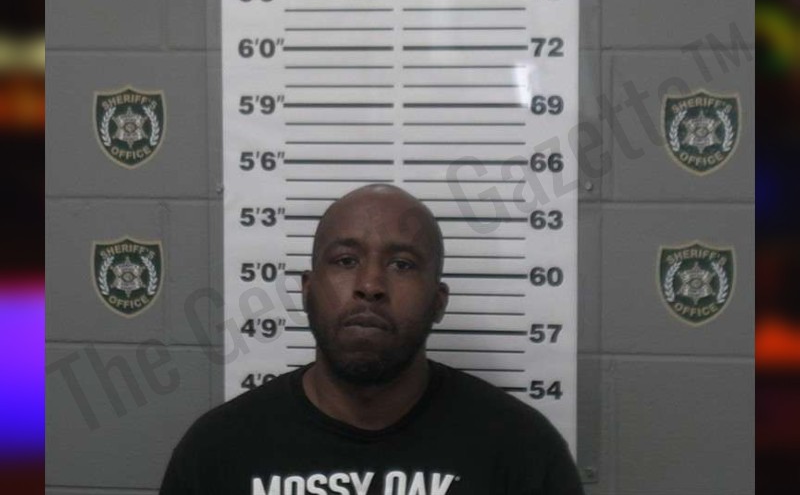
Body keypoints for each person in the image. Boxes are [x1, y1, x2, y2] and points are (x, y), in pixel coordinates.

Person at [160, 184, 584, 495]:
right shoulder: (218, 451)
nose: (370, 286)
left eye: (402, 264)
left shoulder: (521, 450)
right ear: (306, 290)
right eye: (346, 261)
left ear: (438, 302)